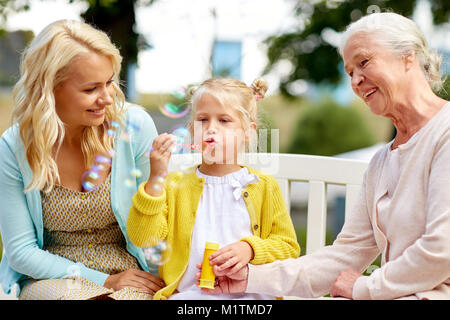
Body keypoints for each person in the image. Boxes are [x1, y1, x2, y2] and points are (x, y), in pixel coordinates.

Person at [195, 12, 450, 300]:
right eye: (350, 72)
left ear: (408, 56)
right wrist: (250, 278)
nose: (356, 81)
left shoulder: (445, 132)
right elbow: (343, 257)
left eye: (364, 62)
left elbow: (443, 249)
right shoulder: (381, 162)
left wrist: (365, 287)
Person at [0, 20, 164, 300]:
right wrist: (104, 281)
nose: (108, 98)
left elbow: (160, 222)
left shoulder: (133, 129)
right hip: (52, 276)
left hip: (130, 274)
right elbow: (21, 252)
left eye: (110, 82)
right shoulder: (15, 146)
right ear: (49, 90)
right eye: (91, 89)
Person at [127, 78, 300, 300]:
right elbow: (144, 238)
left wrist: (250, 249)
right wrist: (156, 179)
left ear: (248, 132)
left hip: (252, 297)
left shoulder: (263, 186)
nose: (211, 129)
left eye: (224, 120)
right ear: (192, 130)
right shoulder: (174, 186)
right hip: (190, 296)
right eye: (202, 120)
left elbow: (288, 247)